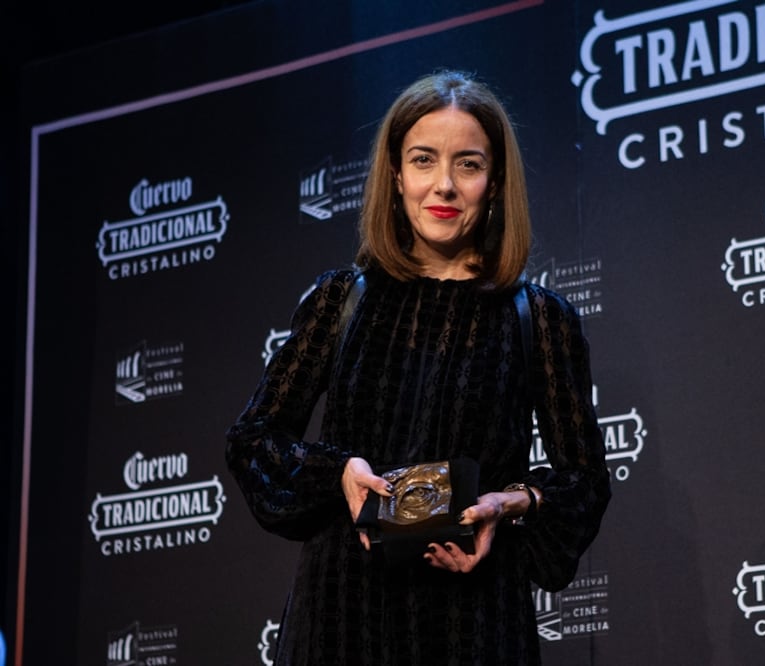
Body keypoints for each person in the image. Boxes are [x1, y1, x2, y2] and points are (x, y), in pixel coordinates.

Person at [225, 69, 612, 664]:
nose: (445, 186)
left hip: (474, 622)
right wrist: (340, 472)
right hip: (340, 618)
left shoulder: (540, 317)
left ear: (496, 181)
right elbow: (253, 440)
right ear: (396, 175)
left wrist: (506, 504)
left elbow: (583, 480)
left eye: (468, 164)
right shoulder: (340, 300)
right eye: (424, 160)